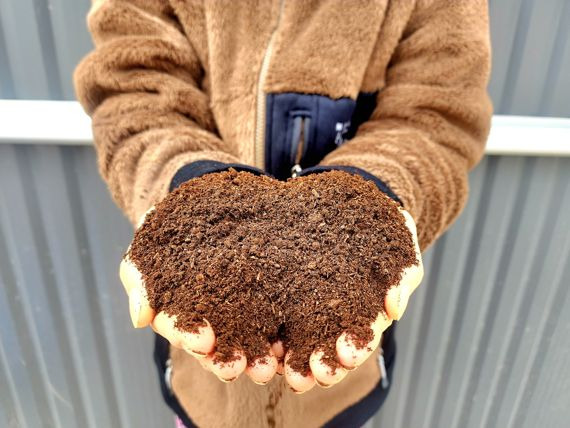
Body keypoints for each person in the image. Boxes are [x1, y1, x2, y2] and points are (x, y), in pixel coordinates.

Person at [74, 0, 492, 426]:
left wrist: (377, 191)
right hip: (200, 378)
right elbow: (133, 88)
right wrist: (187, 179)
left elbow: (437, 114)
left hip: (338, 390)